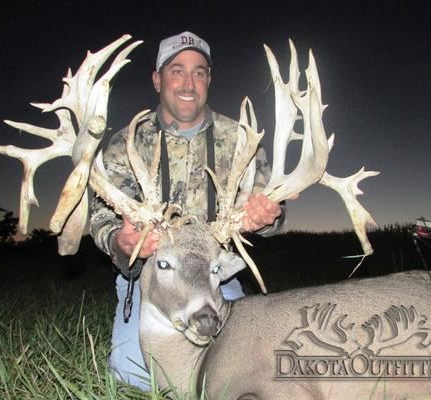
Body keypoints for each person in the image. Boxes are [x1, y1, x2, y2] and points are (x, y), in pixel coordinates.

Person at [89, 31, 286, 391]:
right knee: (134, 376)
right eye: (177, 71)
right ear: (157, 79)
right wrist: (120, 240)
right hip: (152, 281)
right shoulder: (126, 144)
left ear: (209, 80)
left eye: (199, 72)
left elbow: (271, 207)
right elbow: (100, 216)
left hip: (213, 279)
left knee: (238, 376)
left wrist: (265, 219)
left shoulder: (240, 140)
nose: (188, 83)